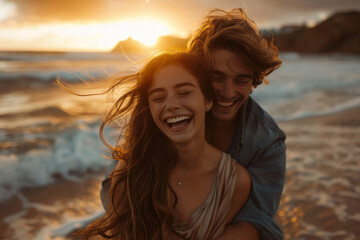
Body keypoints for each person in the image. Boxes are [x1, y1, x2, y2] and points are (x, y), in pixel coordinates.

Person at [80, 52, 251, 240]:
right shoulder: (132, 172)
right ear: (150, 109)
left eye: (184, 92)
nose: (171, 105)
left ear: (208, 101)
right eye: (159, 98)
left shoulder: (234, 181)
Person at [185, 8, 286, 240]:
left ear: (253, 83)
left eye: (241, 80)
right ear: (197, 75)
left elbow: (256, 223)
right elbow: (114, 188)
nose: (227, 93)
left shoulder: (268, 141)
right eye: (216, 77)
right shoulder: (169, 116)